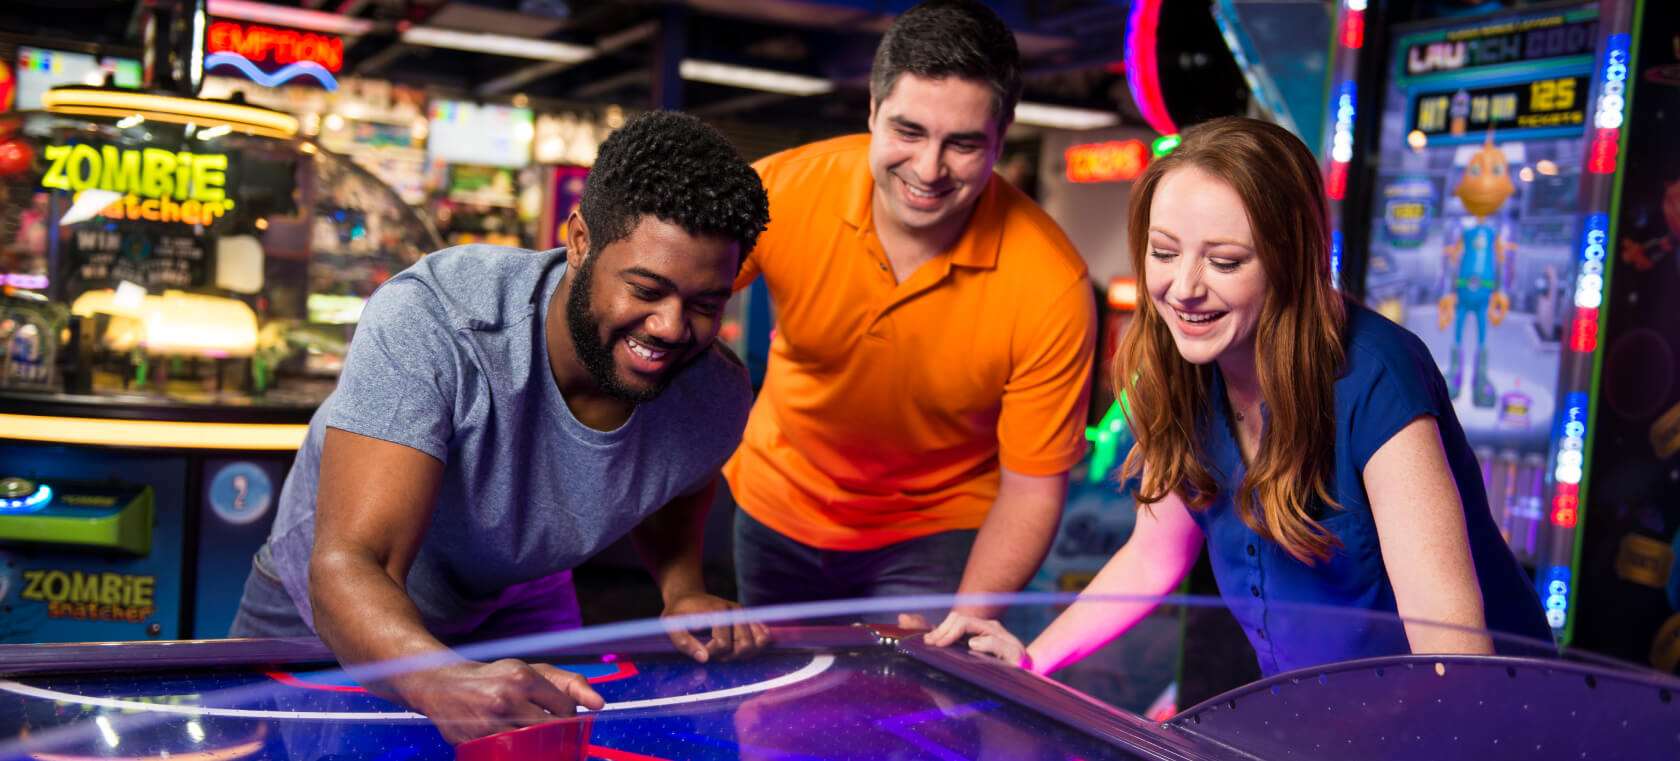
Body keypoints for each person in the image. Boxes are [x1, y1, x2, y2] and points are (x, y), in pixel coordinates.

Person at [927, 117, 1554, 676]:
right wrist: (1034, 660)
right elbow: (1152, 556)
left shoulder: (1374, 375)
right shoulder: (1185, 365)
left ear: (1290, 262)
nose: (1184, 289)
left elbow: (1453, 652)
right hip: (1316, 725)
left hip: (1469, 729)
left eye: (1225, 262)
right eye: (1164, 254)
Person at [227, 111, 773, 743]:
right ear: (579, 241)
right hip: (327, 605)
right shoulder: (437, 321)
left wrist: (682, 589)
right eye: (647, 290)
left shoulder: (713, 391)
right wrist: (435, 676)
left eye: (705, 304)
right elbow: (352, 563)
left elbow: (675, 475)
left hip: (517, 597)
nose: (672, 327)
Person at [725, 0, 1096, 625]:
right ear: (871, 112)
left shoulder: (1051, 286)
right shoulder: (782, 191)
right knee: (771, 711)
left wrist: (967, 623)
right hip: (776, 500)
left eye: (964, 144)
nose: (928, 169)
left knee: (906, 719)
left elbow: (1032, 490)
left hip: (933, 528)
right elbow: (666, 304)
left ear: (1001, 140)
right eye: (908, 131)